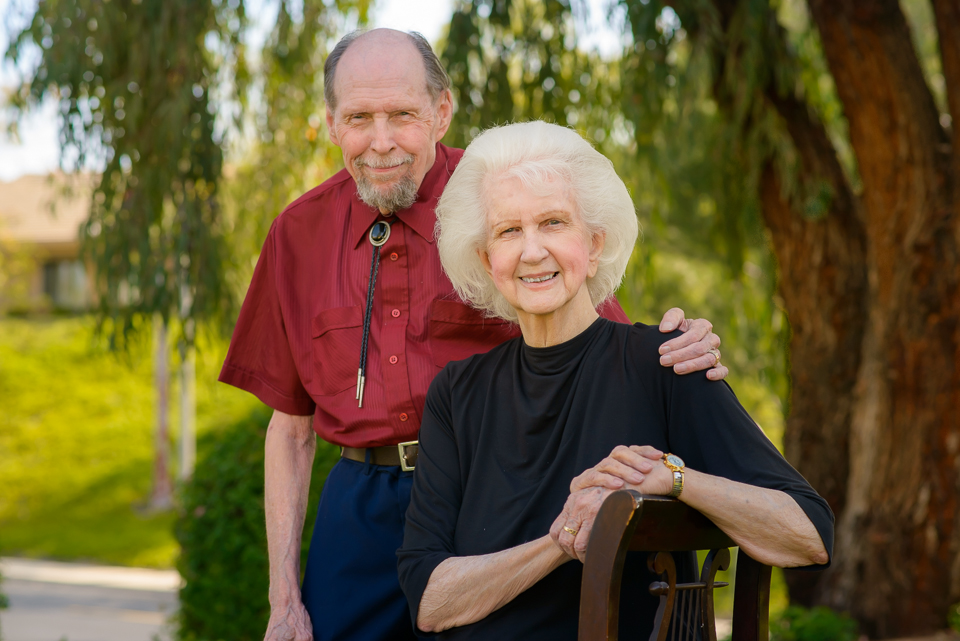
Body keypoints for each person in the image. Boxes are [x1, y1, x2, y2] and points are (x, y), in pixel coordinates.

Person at [220, 29, 728, 641]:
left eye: (402, 115)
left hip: (497, 494)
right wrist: (283, 599)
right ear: (332, 124)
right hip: (362, 507)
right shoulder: (295, 235)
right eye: (359, 118)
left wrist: (676, 351)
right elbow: (291, 429)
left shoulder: (504, 199)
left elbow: (599, 340)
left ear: (441, 111)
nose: (380, 142)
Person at [397, 121, 834, 639]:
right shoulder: (457, 393)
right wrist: (566, 539)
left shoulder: (666, 362)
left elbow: (808, 533)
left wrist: (673, 479)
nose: (532, 251)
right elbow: (430, 601)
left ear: (595, 242)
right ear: (488, 260)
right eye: (508, 231)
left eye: (554, 223)